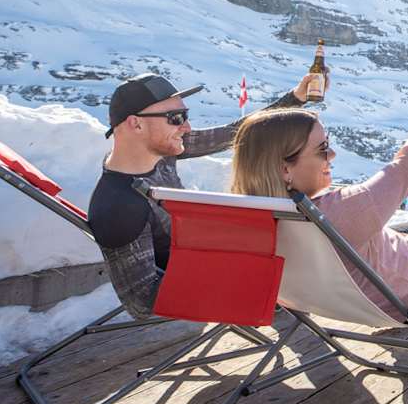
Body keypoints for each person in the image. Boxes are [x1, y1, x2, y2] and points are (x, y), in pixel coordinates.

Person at [228, 71, 408, 334]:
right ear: (285, 170)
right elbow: (404, 169)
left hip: (333, 295)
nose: (333, 156)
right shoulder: (341, 212)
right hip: (398, 296)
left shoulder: (248, 215)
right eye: (322, 150)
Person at [89, 71, 326, 318]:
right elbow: (142, 300)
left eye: (186, 116)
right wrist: (236, 274)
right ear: (135, 124)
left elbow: (233, 133)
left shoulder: (161, 151)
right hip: (207, 276)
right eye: (175, 118)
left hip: (208, 249)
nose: (187, 127)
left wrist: (296, 98)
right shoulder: (118, 205)